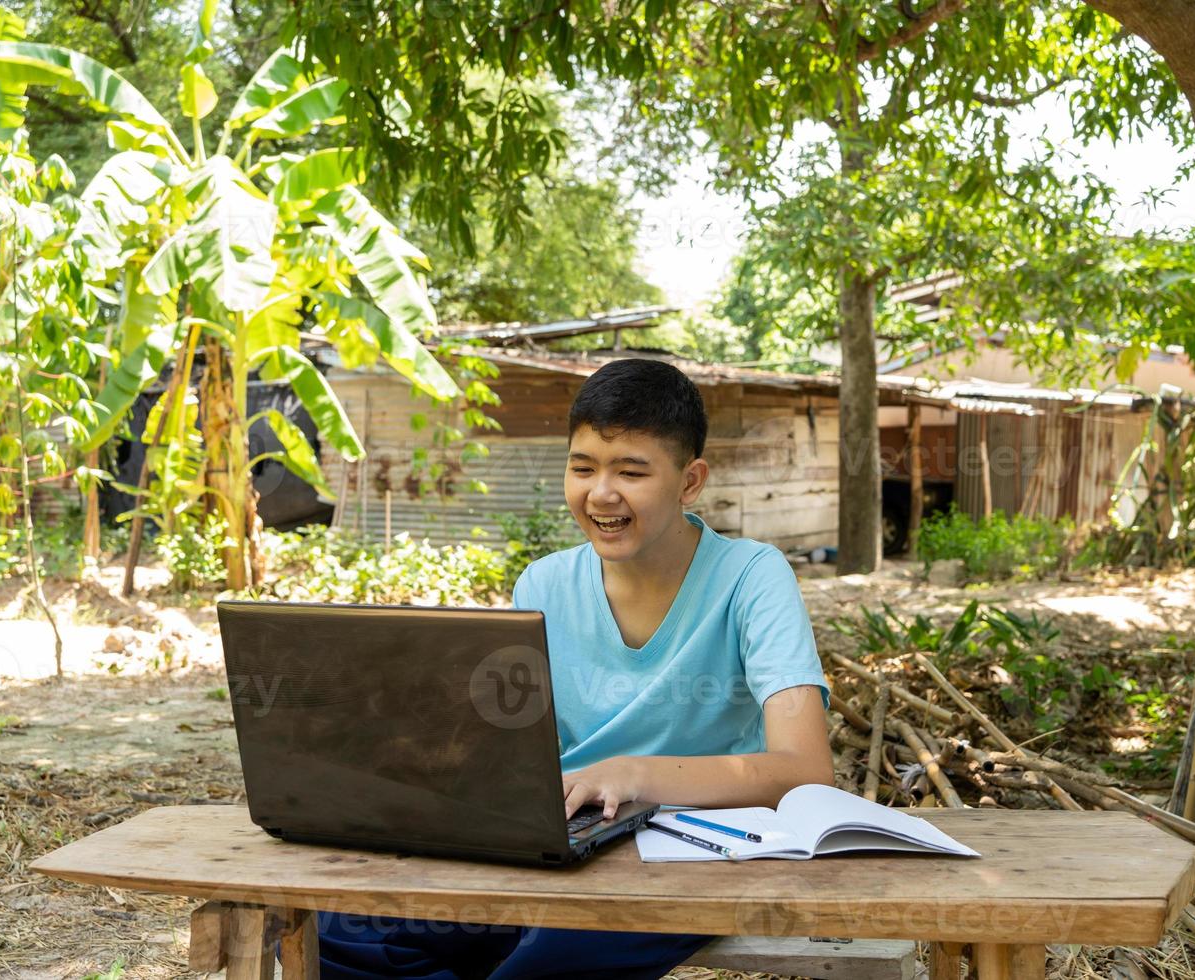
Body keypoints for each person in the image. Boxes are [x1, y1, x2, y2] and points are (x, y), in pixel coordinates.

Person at [319, 357, 833, 979]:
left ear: (689, 482)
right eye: (582, 467)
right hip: (566, 835)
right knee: (340, 936)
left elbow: (805, 771)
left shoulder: (753, 576)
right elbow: (509, 748)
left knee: (541, 966)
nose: (601, 493)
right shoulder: (543, 583)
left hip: (695, 850)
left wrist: (632, 773)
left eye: (632, 471)